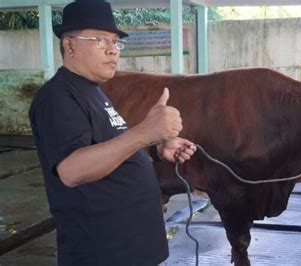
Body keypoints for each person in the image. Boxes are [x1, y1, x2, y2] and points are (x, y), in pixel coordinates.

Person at [29, 0, 196, 264]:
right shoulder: (58, 97)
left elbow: (112, 150)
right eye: (100, 40)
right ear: (69, 44)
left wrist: (155, 147)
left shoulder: (93, 92)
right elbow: (73, 171)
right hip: (103, 252)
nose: (113, 51)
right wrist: (144, 132)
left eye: (116, 42)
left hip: (133, 248)